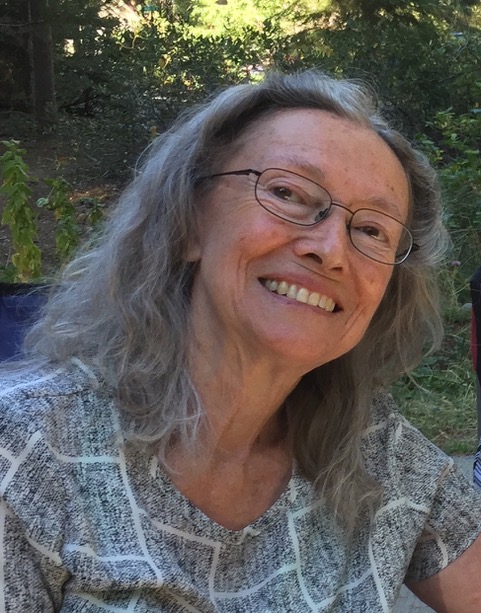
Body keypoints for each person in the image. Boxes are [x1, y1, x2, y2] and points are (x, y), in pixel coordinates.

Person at [1, 70, 481, 613]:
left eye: (372, 230)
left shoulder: (373, 448)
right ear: (189, 223)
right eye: (288, 193)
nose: (331, 250)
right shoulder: (24, 453)